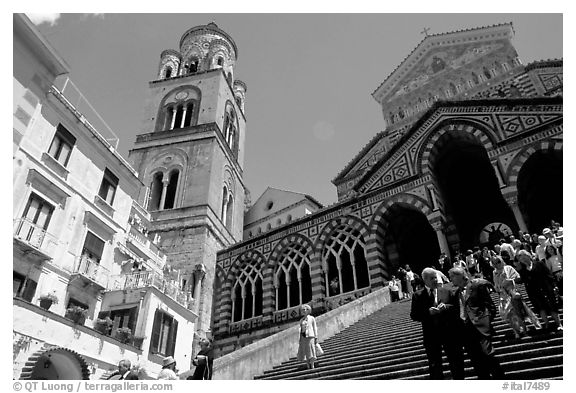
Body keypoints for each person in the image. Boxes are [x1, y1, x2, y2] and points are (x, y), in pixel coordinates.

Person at [449, 267, 504, 379]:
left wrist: (485, 321)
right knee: (477, 362)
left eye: (452, 277)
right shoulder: (455, 294)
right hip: (466, 332)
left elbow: (490, 306)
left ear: (460, 275)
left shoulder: (476, 286)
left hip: (480, 329)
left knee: (488, 356)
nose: (450, 280)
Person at [410, 268, 464, 379]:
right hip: (431, 336)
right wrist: (428, 312)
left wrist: (446, 307)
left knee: (456, 363)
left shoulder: (447, 291)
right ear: (425, 280)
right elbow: (414, 315)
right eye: (432, 278)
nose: (435, 280)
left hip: (449, 334)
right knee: (435, 367)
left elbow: (457, 308)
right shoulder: (417, 296)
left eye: (435, 277)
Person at [492, 256, 539, 339]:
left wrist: (511, 280)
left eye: (498, 262)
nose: (497, 264)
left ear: (501, 261)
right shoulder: (494, 272)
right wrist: (498, 287)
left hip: (513, 292)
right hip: (503, 295)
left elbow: (518, 277)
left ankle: (524, 330)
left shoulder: (508, 268)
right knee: (510, 314)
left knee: (519, 312)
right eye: (494, 263)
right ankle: (516, 331)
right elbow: (496, 284)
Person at [515, 250, 563, 331]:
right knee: (540, 308)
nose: (523, 259)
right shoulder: (522, 270)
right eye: (520, 258)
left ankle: (559, 324)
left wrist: (554, 286)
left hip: (546, 289)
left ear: (528, 256)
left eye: (524, 257)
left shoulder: (539, 263)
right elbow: (522, 280)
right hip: (533, 292)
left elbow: (548, 275)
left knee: (552, 306)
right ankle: (547, 324)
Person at [297, 304, 318, 369]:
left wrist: (316, 336)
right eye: (303, 310)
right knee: (306, 351)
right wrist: (300, 339)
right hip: (303, 337)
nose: (305, 311)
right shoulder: (301, 320)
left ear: (308, 310)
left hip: (310, 336)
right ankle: (308, 364)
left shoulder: (312, 318)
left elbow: (315, 327)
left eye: (306, 309)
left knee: (311, 350)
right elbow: (300, 330)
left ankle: (312, 364)